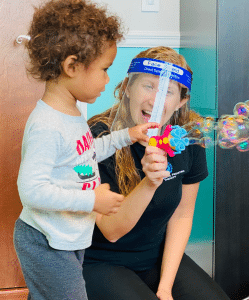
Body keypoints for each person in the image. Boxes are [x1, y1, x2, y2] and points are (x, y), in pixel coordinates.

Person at [13, 1, 158, 299]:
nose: (108, 79)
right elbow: (31, 190)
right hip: (46, 240)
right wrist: (91, 199)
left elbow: (86, 151)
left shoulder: (70, 112)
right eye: (104, 69)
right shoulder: (47, 124)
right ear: (71, 66)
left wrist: (126, 136)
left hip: (67, 236)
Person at [83, 46, 230, 300]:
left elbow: (182, 216)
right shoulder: (98, 139)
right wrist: (150, 182)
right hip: (100, 261)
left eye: (168, 91)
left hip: (155, 258)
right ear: (128, 87)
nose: (155, 100)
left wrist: (165, 287)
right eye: (148, 86)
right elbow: (112, 231)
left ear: (181, 101)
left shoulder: (188, 137)